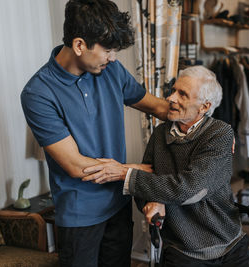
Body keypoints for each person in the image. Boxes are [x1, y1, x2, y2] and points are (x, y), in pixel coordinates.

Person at [20, 0, 168, 266]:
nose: (113, 58)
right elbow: (76, 166)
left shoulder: (111, 71)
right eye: (109, 50)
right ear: (79, 45)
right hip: (79, 217)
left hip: (118, 206)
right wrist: (141, 171)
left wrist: (210, 129)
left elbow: (158, 106)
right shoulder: (38, 93)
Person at [82, 66, 249, 267]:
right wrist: (152, 200)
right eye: (173, 90)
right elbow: (145, 184)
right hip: (182, 248)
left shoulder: (219, 134)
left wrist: (124, 173)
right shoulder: (159, 135)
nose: (171, 98)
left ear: (204, 106)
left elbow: (189, 188)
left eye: (182, 94)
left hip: (227, 243)